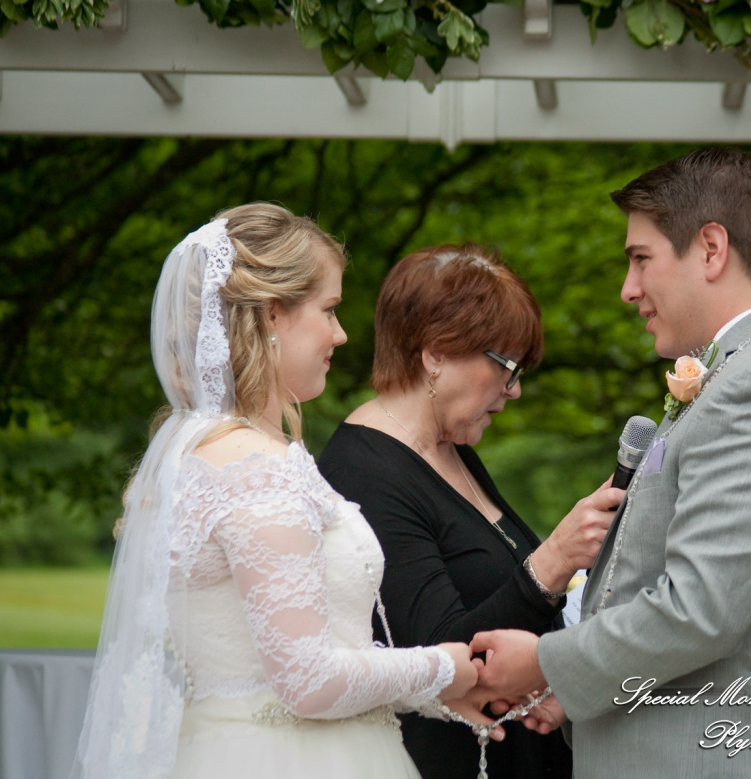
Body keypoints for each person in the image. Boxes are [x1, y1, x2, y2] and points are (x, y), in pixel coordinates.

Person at [472, 148, 751, 778]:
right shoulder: (744, 371)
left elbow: (700, 608)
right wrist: (574, 691)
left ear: (711, 249)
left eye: (640, 259)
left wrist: (547, 663)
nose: (628, 289)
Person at [70, 204, 493, 779]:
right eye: (330, 309)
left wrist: (425, 695)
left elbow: (275, 659)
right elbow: (307, 682)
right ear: (273, 314)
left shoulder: (203, 452)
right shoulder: (256, 467)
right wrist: (440, 668)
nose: (341, 335)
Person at [317, 243, 625, 779]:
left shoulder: (450, 448)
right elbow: (442, 656)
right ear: (435, 353)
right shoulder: (364, 472)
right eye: (507, 366)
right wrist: (553, 559)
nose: (515, 390)